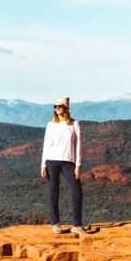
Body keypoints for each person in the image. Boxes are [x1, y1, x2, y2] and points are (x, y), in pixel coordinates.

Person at [40, 97, 94, 234]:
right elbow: (46, 145)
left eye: (60, 106)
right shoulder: (50, 124)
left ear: (66, 108)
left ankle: (76, 225)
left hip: (68, 162)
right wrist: (43, 165)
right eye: (55, 106)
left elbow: (78, 145)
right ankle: (55, 224)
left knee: (77, 191)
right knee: (53, 192)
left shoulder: (74, 124)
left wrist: (78, 164)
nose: (57, 108)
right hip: (51, 161)